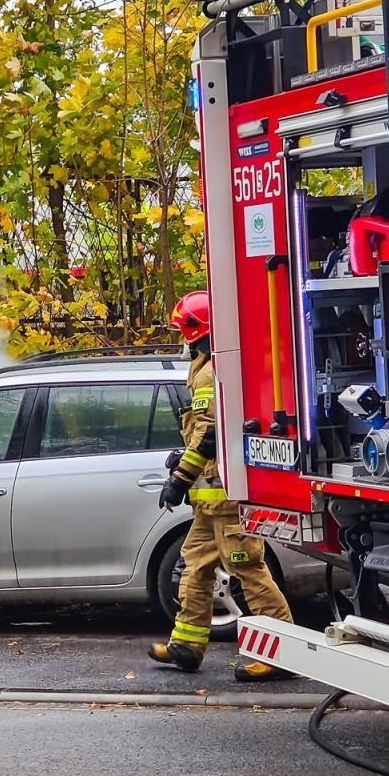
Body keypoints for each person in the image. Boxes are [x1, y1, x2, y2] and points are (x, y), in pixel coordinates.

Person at [149, 289, 295, 679]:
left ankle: (283, 656)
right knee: (194, 568)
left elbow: (211, 434)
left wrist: (180, 478)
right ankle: (187, 645)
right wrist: (183, 465)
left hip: (226, 498)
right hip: (210, 503)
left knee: (249, 571)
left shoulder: (212, 372)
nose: (183, 338)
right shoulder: (204, 367)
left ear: (198, 331)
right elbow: (202, 434)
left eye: (185, 330)